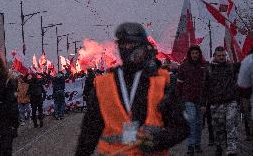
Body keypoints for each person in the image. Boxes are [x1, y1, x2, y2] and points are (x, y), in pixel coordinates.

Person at [75, 22, 189, 156]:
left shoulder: (160, 81)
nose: (127, 48)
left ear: (144, 47)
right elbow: (89, 134)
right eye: (123, 44)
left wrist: (157, 141)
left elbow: (182, 128)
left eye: (131, 44)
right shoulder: (104, 85)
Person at [202, 46, 239, 156]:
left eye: (223, 55)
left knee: (231, 125)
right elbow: (205, 86)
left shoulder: (231, 66)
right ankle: (219, 146)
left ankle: (232, 149)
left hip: (230, 101)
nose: (222, 57)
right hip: (216, 103)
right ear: (215, 56)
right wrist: (203, 103)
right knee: (218, 128)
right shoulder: (209, 69)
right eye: (219, 55)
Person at [176, 45, 206, 155]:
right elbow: (179, 84)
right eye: (193, 53)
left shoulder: (204, 66)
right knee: (191, 121)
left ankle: (197, 144)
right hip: (187, 98)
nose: (195, 55)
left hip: (200, 99)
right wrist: (179, 99)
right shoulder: (184, 66)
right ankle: (190, 145)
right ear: (190, 54)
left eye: (196, 53)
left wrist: (205, 101)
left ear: (199, 54)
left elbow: (206, 84)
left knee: (199, 123)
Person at [238, 48, 253, 141]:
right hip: (247, 95)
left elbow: (242, 83)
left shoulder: (248, 61)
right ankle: (248, 132)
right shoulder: (248, 61)